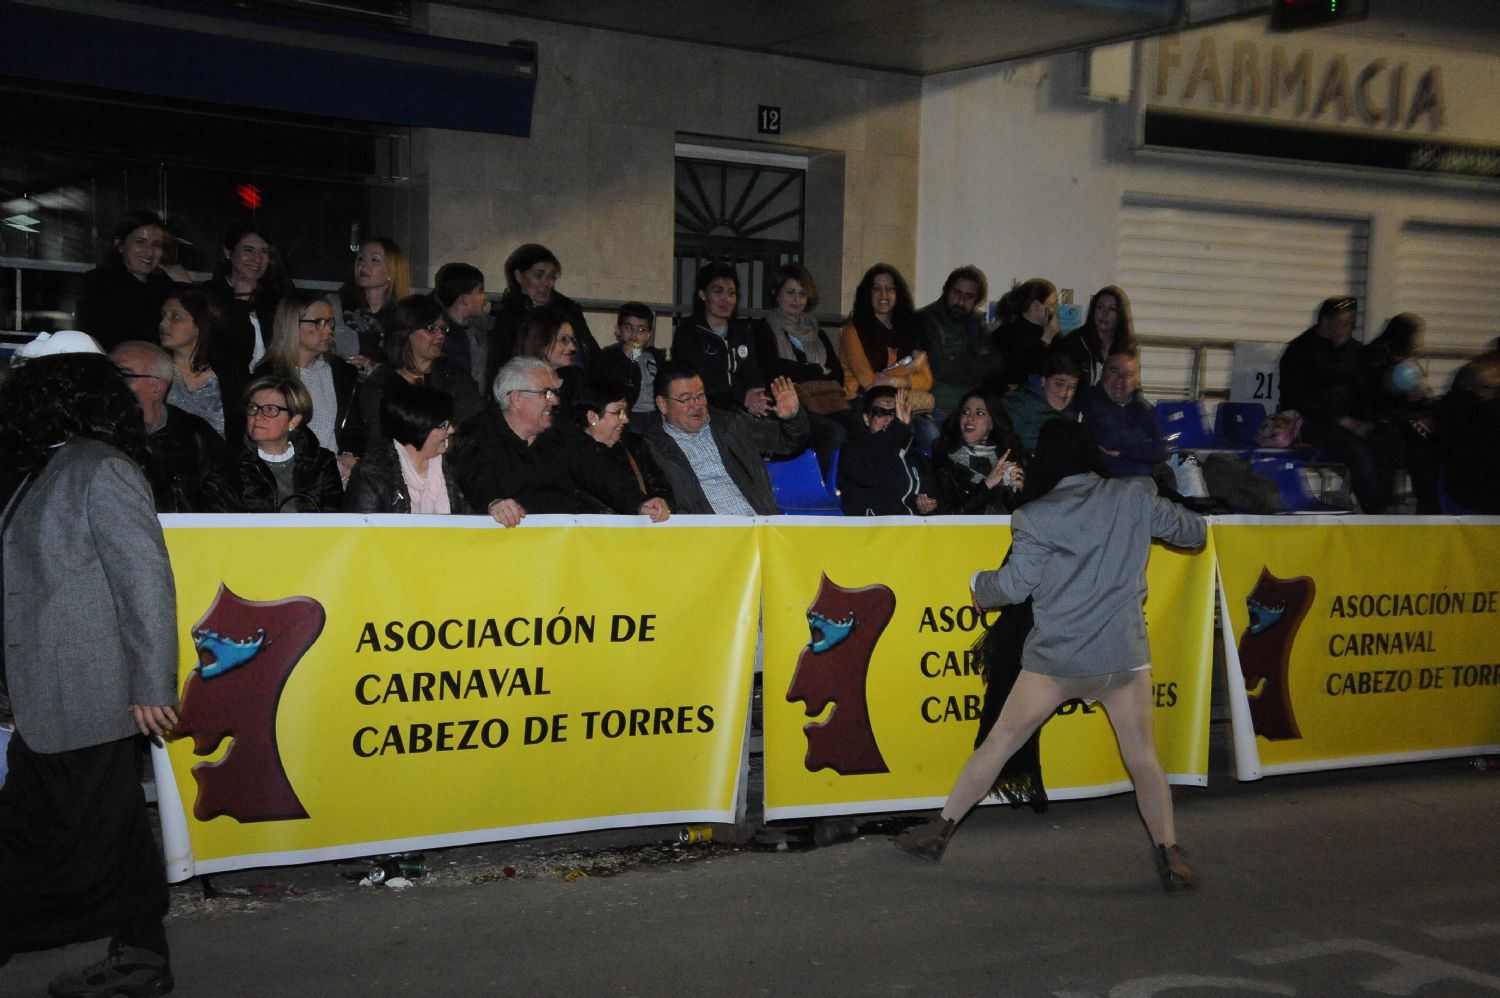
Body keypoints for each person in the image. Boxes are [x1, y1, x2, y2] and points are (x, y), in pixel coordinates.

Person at [893, 420, 1208, 895]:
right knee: (1143, 758)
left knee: (998, 744)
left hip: (1056, 662)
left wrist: (979, 586)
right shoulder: (1134, 496)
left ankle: (939, 832)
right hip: (1123, 659)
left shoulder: (1036, 516)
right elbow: (1194, 533)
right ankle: (1169, 852)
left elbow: (1015, 586)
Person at [0, 351, 180, 996]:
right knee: (88, 829)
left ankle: (132, 955)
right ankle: (140, 958)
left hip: (91, 689)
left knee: (75, 833)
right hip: (48, 689)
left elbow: (146, 582)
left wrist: (152, 684)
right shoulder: (47, 466)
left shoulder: (99, 468)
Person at [452, 357, 669, 526]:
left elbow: (598, 470)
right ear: (516, 398)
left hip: (563, 543)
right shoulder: (479, 432)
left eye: (555, 393)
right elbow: (475, 476)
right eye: (546, 393)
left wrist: (639, 502)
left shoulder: (560, 430)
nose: (555, 400)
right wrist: (494, 502)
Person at [1278, 295, 1401, 514]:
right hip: (1309, 422)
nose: (1348, 329)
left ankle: (1388, 507)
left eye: (1351, 324)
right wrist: (1343, 421)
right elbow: (1298, 399)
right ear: (1325, 322)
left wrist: (1369, 421)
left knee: (1384, 443)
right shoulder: (1299, 351)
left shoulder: (1354, 352)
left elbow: (1365, 391)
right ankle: (1377, 513)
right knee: (1356, 449)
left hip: (1348, 422)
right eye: (1343, 323)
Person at [643, 361, 808, 516]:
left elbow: (788, 443)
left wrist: (792, 418)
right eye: (686, 399)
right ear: (663, 404)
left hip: (759, 527)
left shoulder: (730, 424)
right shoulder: (650, 448)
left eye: (700, 395)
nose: (697, 405)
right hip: (708, 537)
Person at [750, 263, 854, 477]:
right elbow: (774, 372)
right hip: (789, 406)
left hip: (824, 403)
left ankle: (847, 487)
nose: (796, 300)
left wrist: (801, 371)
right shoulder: (764, 330)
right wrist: (817, 370)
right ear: (776, 294)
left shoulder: (818, 333)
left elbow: (837, 374)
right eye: (790, 292)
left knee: (860, 426)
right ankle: (817, 485)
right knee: (832, 433)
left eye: (802, 294)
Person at [109, 340, 238, 512]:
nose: (111, 382)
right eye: (108, 374)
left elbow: (224, 509)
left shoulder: (198, 439)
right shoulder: (96, 435)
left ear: (157, 387)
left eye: (124, 375)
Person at [259, 289, 366, 481]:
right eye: (318, 323)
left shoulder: (343, 372)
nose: (327, 330)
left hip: (336, 476)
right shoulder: (268, 375)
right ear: (292, 324)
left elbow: (354, 427)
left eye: (330, 322)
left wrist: (349, 454)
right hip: (286, 477)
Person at [840, 263, 936, 449]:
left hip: (901, 402)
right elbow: (869, 383)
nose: (883, 294)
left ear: (898, 294)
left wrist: (891, 380)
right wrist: (909, 371)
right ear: (867, 294)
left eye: (890, 289)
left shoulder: (909, 331)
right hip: (865, 405)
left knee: (930, 434)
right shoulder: (852, 333)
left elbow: (926, 380)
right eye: (877, 289)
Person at [358, 294, 484, 434]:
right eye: (431, 328)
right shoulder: (380, 383)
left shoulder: (456, 380)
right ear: (406, 331)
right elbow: (376, 436)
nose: (440, 335)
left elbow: (472, 427)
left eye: (443, 329)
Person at [76, 210, 191, 351]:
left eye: (156, 245)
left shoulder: (165, 285)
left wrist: (185, 286)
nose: (149, 252)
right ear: (120, 245)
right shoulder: (100, 283)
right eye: (140, 242)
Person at [343, 381, 464, 515]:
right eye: (443, 426)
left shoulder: (451, 465)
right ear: (418, 431)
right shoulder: (372, 475)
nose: (451, 430)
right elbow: (362, 530)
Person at [1357, 312, 1436, 513]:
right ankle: (1384, 508)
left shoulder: (1407, 359)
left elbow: (1420, 392)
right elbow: (1368, 396)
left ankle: (1427, 508)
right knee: (1390, 450)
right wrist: (1401, 396)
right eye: (1417, 335)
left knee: (1427, 451)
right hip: (1379, 421)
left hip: (1401, 420)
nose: (1420, 341)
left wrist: (1422, 395)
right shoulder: (1373, 356)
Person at [489, 243, 598, 384]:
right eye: (539, 275)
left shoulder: (569, 311)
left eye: (552, 277)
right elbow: (501, 364)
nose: (547, 283)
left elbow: (592, 353)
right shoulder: (505, 316)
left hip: (575, 388)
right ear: (518, 275)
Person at [233, 374, 343, 513]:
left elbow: (334, 519)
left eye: (270, 409)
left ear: (294, 421)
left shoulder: (321, 463)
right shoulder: (230, 464)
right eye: (253, 407)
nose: (258, 416)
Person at [672, 261, 769, 415]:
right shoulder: (688, 333)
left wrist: (755, 394)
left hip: (740, 409)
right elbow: (697, 381)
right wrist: (743, 395)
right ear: (702, 294)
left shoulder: (742, 333)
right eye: (718, 291)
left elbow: (752, 372)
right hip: (705, 409)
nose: (726, 299)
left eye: (731, 293)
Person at [570, 378, 675, 513]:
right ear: (593, 417)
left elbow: (660, 486)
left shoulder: (634, 445)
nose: (625, 419)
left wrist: (662, 505)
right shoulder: (571, 454)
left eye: (625, 411)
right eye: (618, 412)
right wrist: (639, 505)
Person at [918, 265, 1006, 419]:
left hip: (974, 404)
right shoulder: (926, 319)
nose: (960, 301)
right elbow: (943, 370)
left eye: (969, 296)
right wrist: (978, 366)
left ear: (976, 300)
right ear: (947, 291)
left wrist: (960, 361)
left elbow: (996, 363)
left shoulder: (976, 320)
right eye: (956, 293)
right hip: (939, 406)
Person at [202, 223, 290, 375]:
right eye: (248, 250)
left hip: (267, 384)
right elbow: (217, 347)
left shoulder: (275, 295)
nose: (257, 259)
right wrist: (240, 301)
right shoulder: (208, 294)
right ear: (228, 251)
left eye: (264, 252)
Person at [838, 387, 936, 516]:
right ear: (867, 419)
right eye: (880, 412)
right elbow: (872, 477)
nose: (889, 419)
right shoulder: (852, 451)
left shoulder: (917, 458)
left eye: (894, 413)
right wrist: (898, 428)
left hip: (913, 530)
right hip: (873, 531)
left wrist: (927, 506)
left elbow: (935, 499)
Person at [1076, 349, 1169, 480]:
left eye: (1128, 374)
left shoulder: (1145, 409)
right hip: (1101, 482)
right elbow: (1110, 440)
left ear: (1136, 380)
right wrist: (1143, 447)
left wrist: (1124, 453)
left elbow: (1163, 450)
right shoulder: (1088, 402)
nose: (1120, 379)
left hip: (1142, 484)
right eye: (1114, 371)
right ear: (1102, 374)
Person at [932, 388, 1026, 515]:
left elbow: (1028, 514)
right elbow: (950, 515)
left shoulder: (1008, 453)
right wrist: (987, 483)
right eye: (965, 412)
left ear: (992, 423)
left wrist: (1021, 489)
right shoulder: (944, 457)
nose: (970, 418)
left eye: (979, 413)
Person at [159, 287, 233, 439]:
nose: (163, 324)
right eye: (163, 316)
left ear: (201, 324)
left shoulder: (228, 376)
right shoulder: (155, 369)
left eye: (175, 317)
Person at [332, 237, 409, 375]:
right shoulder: (336, 305)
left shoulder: (404, 315)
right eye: (360, 259)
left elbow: (412, 365)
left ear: (392, 271)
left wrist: (374, 368)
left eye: (375, 260)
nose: (364, 266)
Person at [597, 302, 666, 435]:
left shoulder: (654, 356)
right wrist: (625, 357)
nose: (634, 335)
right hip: (631, 413)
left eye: (641, 330)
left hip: (655, 413)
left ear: (649, 334)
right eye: (629, 328)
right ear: (618, 330)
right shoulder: (611, 356)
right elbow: (613, 380)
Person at [1001, 351, 1083, 456]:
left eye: (1072, 386)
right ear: (1044, 381)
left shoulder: (1075, 411)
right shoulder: (1019, 402)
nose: (1065, 391)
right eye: (1059, 384)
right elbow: (1005, 444)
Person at [1057, 285, 1137, 388]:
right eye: (1100, 307)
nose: (1104, 313)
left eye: (1112, 309)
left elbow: (1133, 385)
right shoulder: (1074, 343)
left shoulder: (1128, 346)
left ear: (1121, 314)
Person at [432, 262, 494, 390]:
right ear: (465, 299)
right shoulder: (442, 334)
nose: (484, 297)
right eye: (480, 291)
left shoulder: (482, 329)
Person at [991, 278, 1059, 388]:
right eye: (1051, 305)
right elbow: (1021, 371)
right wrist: (1045, 340)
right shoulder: (1006, 335)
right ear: (1035, 305)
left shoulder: (1054, 334)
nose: (1054, 310)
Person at [515, 304, 584, 412]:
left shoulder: (579, 383)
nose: (572, 347)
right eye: (564, 340)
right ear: (540, 341)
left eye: (572, 340)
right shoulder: (515, 383)